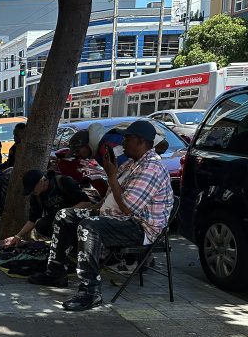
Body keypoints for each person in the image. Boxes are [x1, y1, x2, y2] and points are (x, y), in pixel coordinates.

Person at [29, 120, 174, 311]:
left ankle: (90, 292)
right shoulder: (132, 163)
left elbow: (129, 209)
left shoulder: (151, 167)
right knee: (65, 215)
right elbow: (114, 195)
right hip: (118, 216)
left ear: (140, 141)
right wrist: (96, 206)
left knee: (89, 226)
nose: (122, 143)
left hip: (139, 227)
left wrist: (111, 176)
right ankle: (56, 272)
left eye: (127, 139)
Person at [3, 169, 88, 245]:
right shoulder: (36, 196)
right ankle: (65, 243)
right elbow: (32, 220)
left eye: (33, 188)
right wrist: (18, 236)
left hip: (76, 218)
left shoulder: (62, 181)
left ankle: (76, 243)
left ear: (41, 181)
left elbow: (86, 202)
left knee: (63, 220)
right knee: (41, 225)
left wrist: (65, 214)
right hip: (57, 222)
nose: (32, 192)